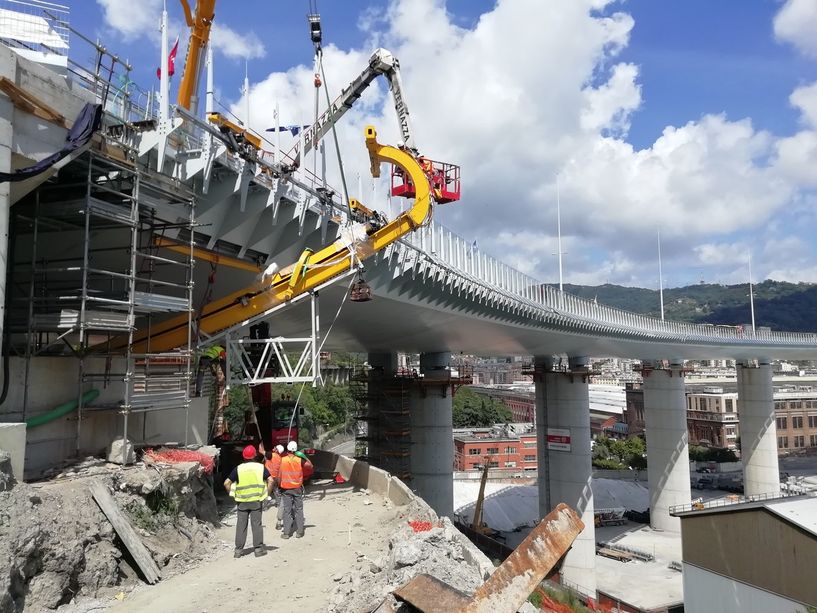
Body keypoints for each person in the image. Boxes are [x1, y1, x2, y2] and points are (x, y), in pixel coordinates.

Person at [223, 445, 273, 558]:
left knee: (241, 525)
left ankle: (238, 551)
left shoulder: (238, 469)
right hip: (256, 501)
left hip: (242, 502)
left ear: (244, 456)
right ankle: (258, 549)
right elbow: (271, 480)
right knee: (257, 524)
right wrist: (267, 494)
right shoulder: (261, 467)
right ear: (255, 455)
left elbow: (226, 483)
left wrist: (233, 494)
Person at [279, 440, 313, 539]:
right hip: (297, 488)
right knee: (299, 509)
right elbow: (310, 466)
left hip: (286, 489)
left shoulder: (282, 460)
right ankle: (300, 532)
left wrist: (279, 486)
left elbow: (279, 475)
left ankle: (286, 533)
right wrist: (304, 456)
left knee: (287, 510)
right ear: (295, 450)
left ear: (287, 450)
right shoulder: (299, 460)